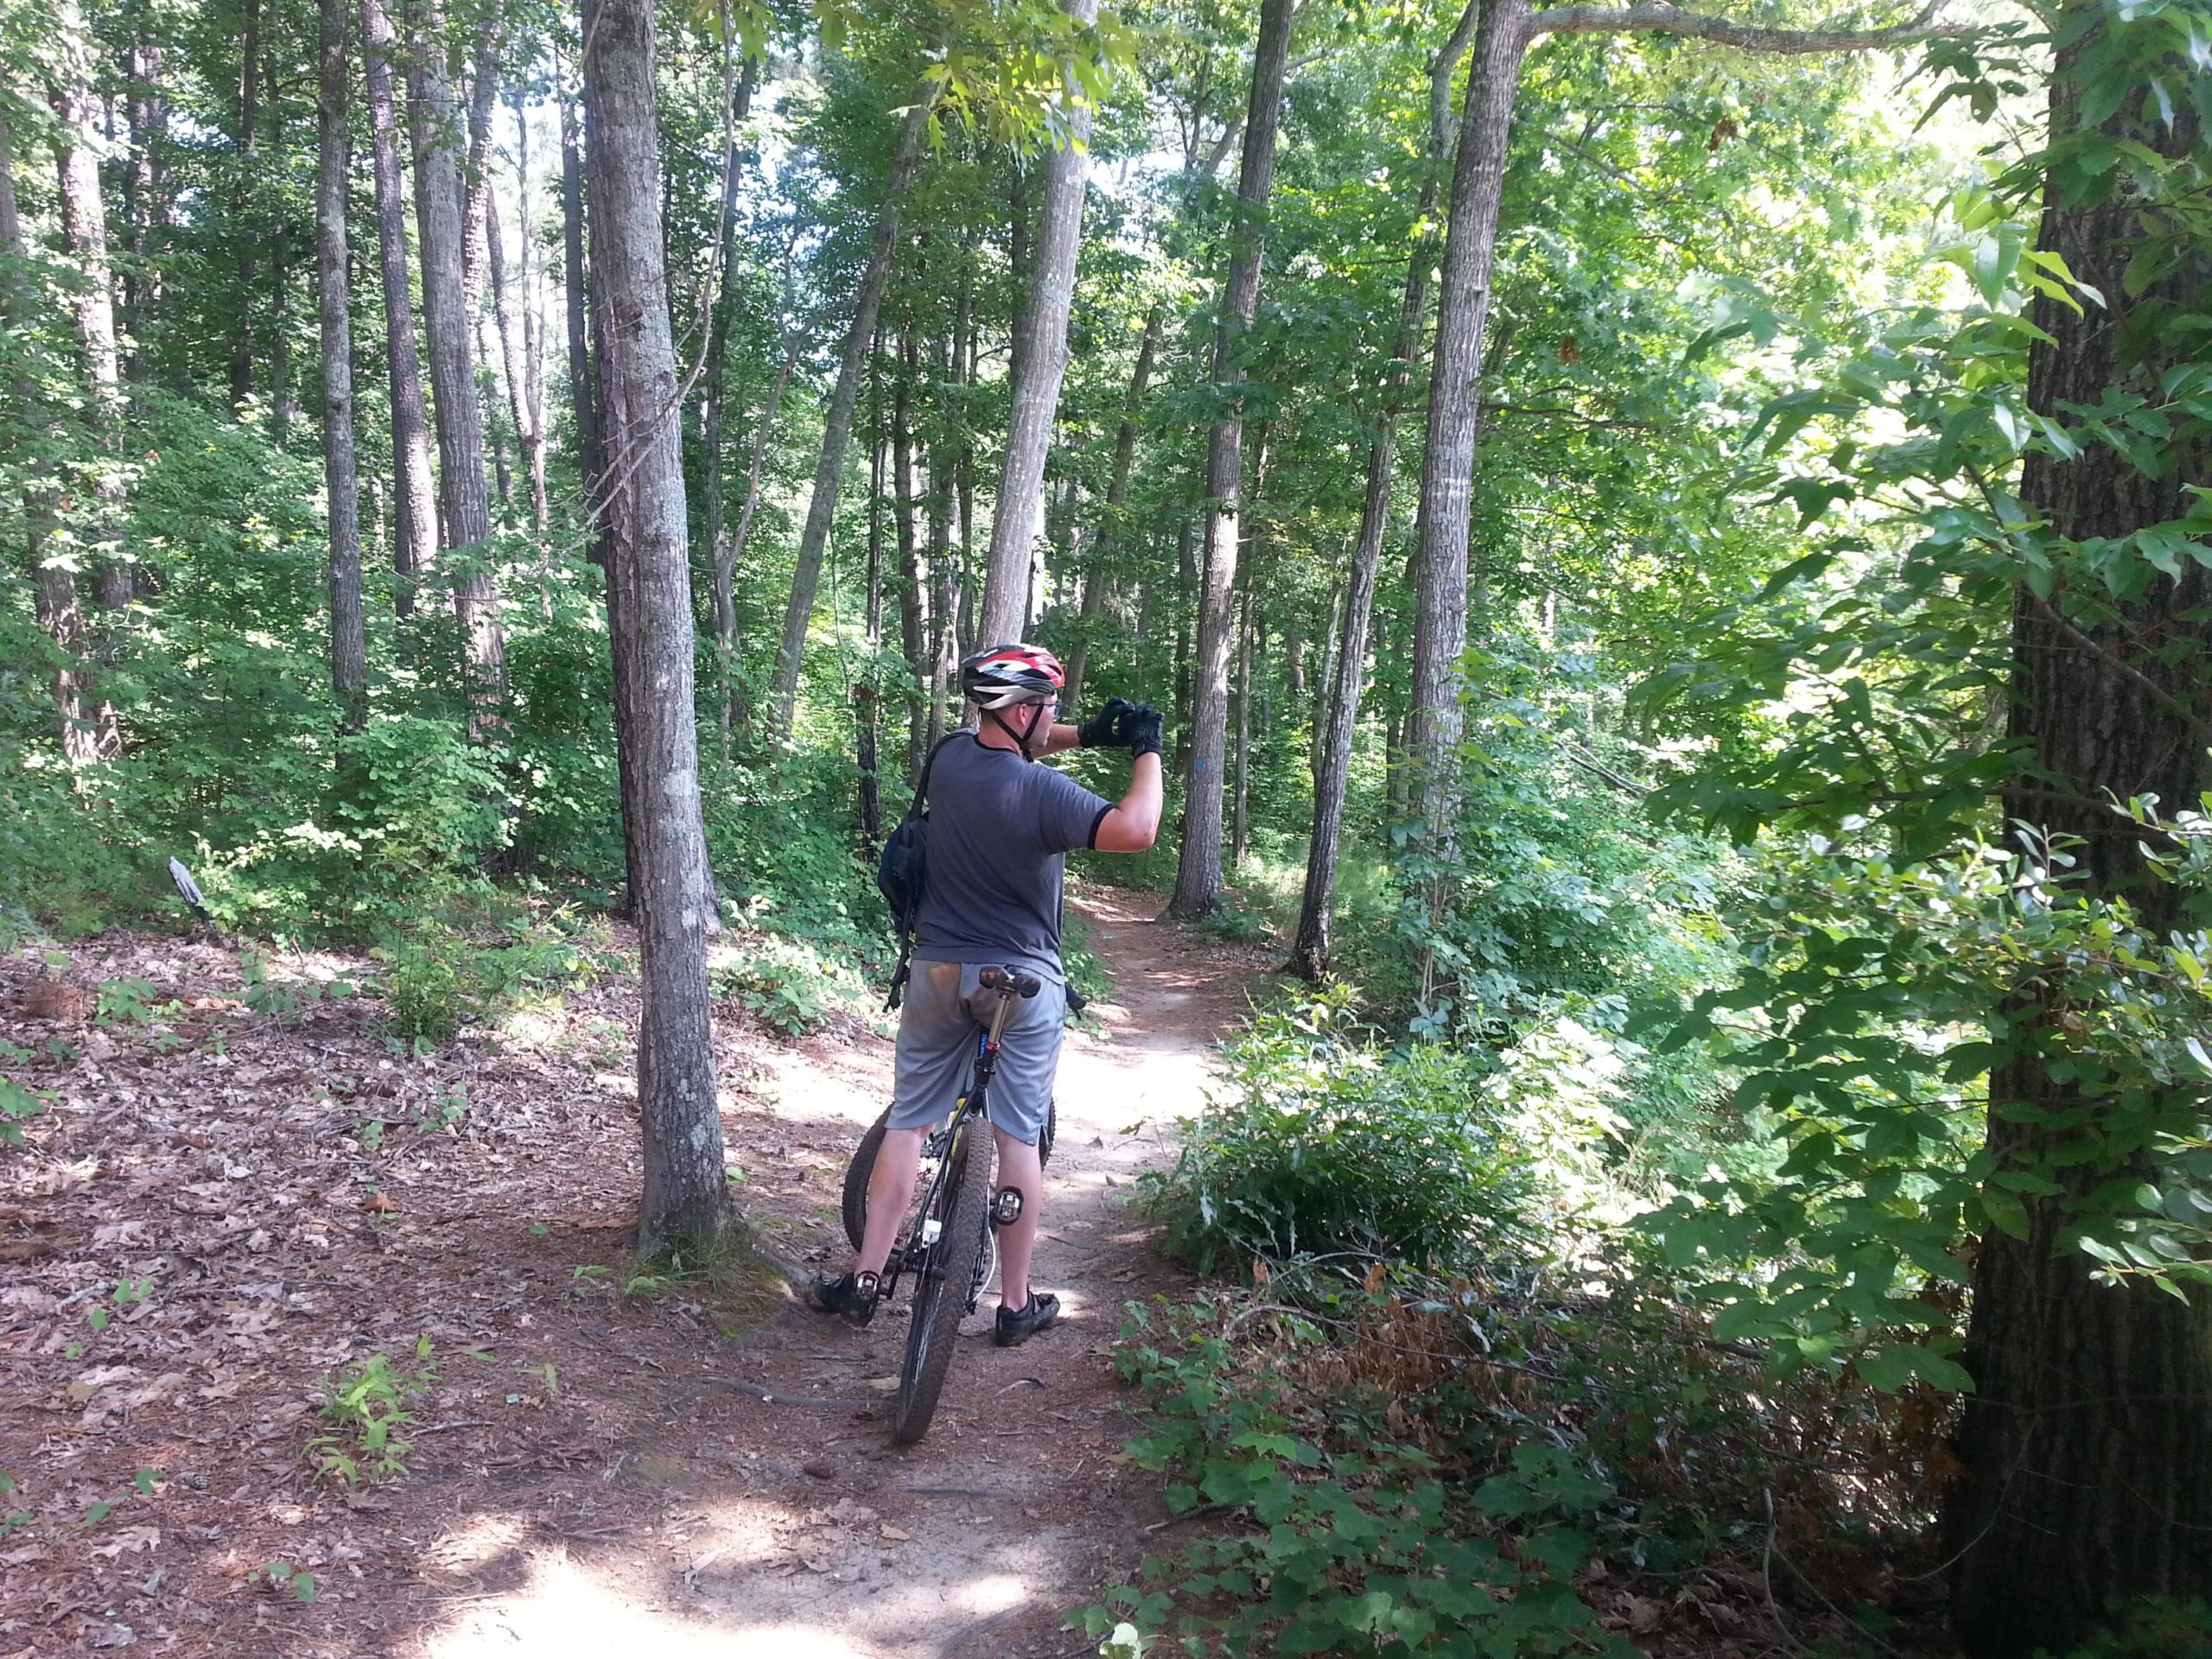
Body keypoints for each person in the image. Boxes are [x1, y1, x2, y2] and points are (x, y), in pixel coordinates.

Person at [810, 643, 1165, 1345]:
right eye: (1052, 709)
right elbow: (1137, 829)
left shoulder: (950, 760)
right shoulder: (1044, 794)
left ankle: (866, 1280)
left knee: (910, 1122)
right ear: (1026, 710)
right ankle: (1013, 1303)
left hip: (939, 970)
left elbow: (1021, 734)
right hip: (1023, 982)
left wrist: (1089, 734)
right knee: (1017, 1137)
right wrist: (1144, 751)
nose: (1057, 720)